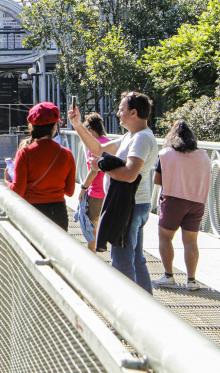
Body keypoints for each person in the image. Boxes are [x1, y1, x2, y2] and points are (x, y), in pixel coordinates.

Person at [68, 91, 159, 294]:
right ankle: (146, 305)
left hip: (130, 205)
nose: (118, 113)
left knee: (122, 260)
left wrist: (102, 167)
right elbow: (97, 148)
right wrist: (77, 125)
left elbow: (129, 175)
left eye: (121, 109)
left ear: (133, 112)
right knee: (135, 258)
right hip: (134, 204)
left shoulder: (142, 139)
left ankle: (126, 316)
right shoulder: (131, 136)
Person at [152, 121, 211, 291]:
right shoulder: (203, 155)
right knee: (191, 241)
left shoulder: (165, 154)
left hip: (173, 200)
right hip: (197, 201)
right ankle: (192, 280)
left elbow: (157, 180)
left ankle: (169, 276)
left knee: (165, 237)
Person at [5, 102, 76, 231]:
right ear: (54, 127)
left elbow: (18, 190)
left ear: (32, 126)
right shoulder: (67, 154)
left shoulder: (24, 153)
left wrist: (7, 181)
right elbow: (70, 192)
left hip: (32, 213)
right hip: (58, 213)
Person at [79, 113, 110, 251]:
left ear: (91, 131)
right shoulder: (110, 143)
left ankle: (93, 257)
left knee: (92, 229)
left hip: (97, 192)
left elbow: (94, 170)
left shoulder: (95, 147)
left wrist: (83, 188)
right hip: (109, 191)